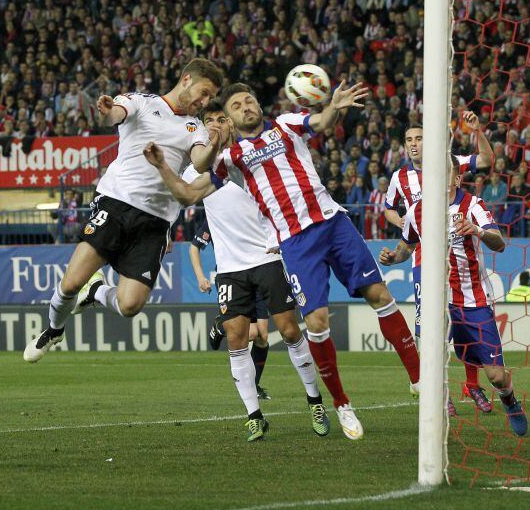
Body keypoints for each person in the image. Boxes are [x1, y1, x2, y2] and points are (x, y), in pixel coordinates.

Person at [142, 82, 421, 439]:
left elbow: (320, 122)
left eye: (249, 100)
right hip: (295, 241)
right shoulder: (230, 160)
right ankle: (341, 404)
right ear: (228, 118)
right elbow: (186, 192)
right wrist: (165, 166)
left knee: (380, 295)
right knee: (317, 322)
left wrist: (334, 105)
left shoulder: (285, 124)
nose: (246, 107)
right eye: (237, 105)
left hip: (333, 222)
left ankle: (417, 378)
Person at [24, 58, 225, 363]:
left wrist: (214, 144)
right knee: (71, 283)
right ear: (186, 79)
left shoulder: (195, 126)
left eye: (211, 97)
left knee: (130, 305)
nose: (205, 101)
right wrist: (107, 111)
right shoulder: (142, 102)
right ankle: (54, 329)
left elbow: (199, 162)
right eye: (204, 92)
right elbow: (116, 114)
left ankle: (96, 294)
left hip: (156, 222)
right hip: (116, 204)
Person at [180, 100, 346, 440]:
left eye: (220, 119)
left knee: (287, 331)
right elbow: (180, 196)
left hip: (268, 257)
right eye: (207, 120)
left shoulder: (249, 156)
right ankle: (254, 414)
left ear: (230, 123)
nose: (214, 125)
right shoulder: (198, 170)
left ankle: (315, 401)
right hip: (229, 268)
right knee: (238, 339)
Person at [379, 158, 528, 435]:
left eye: (444, 172)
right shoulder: (416, 210)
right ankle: (437, 417)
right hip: (439, 302)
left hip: (473, 301)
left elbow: (500, 243)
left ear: (457, 179)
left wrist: (478, 231)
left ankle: (509, 399)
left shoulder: (473, 205)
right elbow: (407, 246)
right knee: (432, 360)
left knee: (496, 376)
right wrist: (392, 258)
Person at [383, 112, 494, 413]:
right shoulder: (399, 178)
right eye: (409, 140)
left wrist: (477, 130)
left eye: (419, 138)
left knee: (463, 325)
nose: (414, 144)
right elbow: (388, 209)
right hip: (422, 260)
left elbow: (485, 159)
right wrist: (404, 222)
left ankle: (472, 384)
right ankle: (439, 392)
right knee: (428, 327)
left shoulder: (449, 163)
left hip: (459, 256)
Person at [189, 215, 275, 400]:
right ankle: (220, 326)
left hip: (257, 274)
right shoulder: (215, 215)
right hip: (232, 278)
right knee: (251, 333)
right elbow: (194, 247)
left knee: (263, 336)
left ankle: (254, 386)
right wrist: (200, 277)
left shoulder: (248, 210)